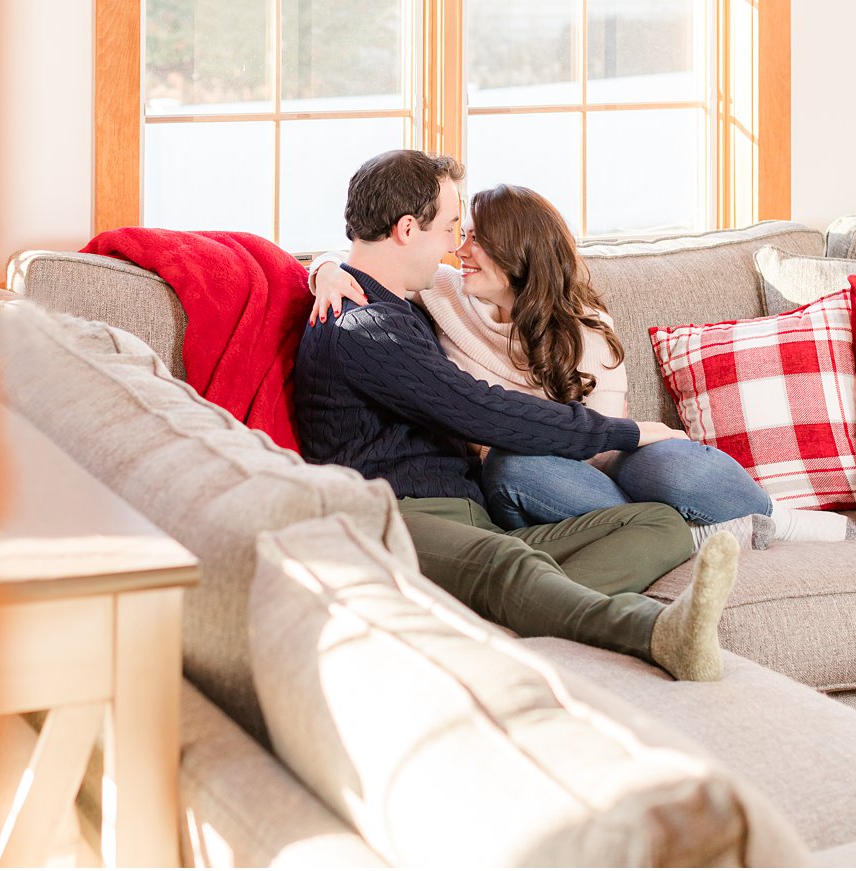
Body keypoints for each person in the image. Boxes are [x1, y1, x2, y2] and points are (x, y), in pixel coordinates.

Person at [294, 149, 740, 682]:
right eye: (450, 228)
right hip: (398, 519)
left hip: (473, 522)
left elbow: (347, 264)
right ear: (408, 229)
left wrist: (321, 268)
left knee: (659, 523)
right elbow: (481, 408)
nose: (455, 248)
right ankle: (655, 630)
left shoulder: (403, 307)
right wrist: (626, 431)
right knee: (510, 567)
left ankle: (513, 620)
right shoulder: (364, 328)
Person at [309, 182, 856, 547]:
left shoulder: (584, 329)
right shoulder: (443, 294)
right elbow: (373, 259)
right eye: (459, 235)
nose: (460, 250)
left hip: (600, 463)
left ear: (520, 253)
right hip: (540, 481)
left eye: (478, 240)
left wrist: (634, 437)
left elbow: (604, 446)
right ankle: (685, 535)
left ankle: (773, 518)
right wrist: (327, 271)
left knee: (669, 461)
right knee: (514, 464)